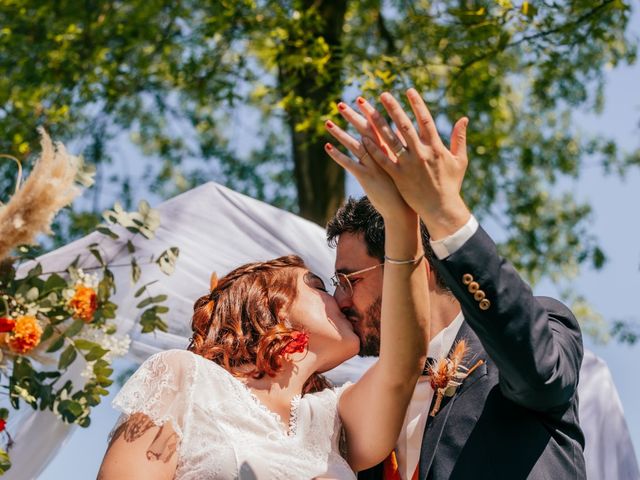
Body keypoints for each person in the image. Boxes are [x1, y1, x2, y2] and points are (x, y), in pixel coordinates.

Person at [97, 143, 431, 478]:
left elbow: (404, 360)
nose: (341, 299)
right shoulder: (185, 376)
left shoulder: (335, 419)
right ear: (274, 306)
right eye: (319, 286)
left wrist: (402, 216)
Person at [324, 89, 586, 479]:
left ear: (417, 267)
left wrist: (442, 212)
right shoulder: (361, 407)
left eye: (348, 279)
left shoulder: (531, 336)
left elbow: (540, 375)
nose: (338, 298)